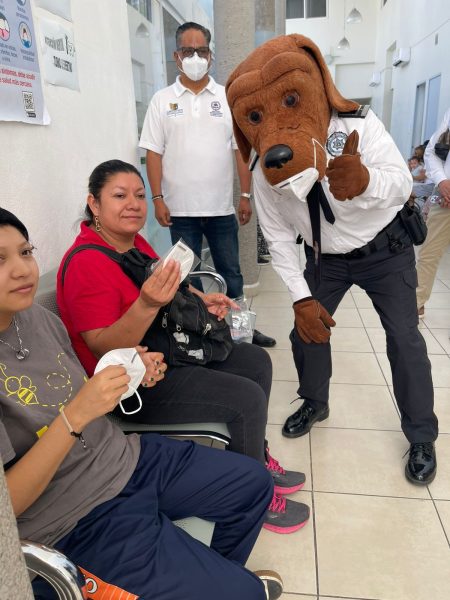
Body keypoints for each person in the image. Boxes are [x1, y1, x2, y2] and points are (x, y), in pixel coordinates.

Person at [0, 208, 285, 600]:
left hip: (124, 457)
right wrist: (76, 413)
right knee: (244, 592)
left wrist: (128, 373)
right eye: (0, 259)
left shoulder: (38, 318)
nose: (22, 269)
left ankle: (214, 577)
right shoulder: (86, 262)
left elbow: (79, 388)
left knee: (253, 484)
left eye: (26, 252)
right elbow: (9, 506)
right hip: (71, 516)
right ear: (94, 206)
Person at [225, 33, 438, 486]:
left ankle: (421, 434)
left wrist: (365, 182)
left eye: (288, 99)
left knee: (405, 340)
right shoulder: (265, 169)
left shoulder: (357, 124)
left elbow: (401, 183)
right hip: (326, 259)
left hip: (385, 250)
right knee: (306, 331)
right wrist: (300, 297)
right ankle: (314, 401)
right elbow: (278, 238)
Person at [57, 159, 310, 534]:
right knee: (246, 398)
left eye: (140, 195)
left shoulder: (131, 242)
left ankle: (254, 456)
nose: (133, 204)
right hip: (132, 387)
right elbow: (103, 351)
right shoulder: (86, 263)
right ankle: (252, 498)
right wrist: (146, 305)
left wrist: (202, 299)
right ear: (94, 203)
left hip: (166, 353)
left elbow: (171, 283)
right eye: (120, 196)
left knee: (256, 361)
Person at [139, 21, 276, 349]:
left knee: (232, 274)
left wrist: (245, 195)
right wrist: (157, 198)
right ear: (176, 56)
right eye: (188, 51)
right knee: (188, 279)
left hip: (220, 210)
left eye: (201, 51)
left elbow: (240, 152)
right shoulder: (162, 101)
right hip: (179, 211)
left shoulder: (227, 99)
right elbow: (153, 153)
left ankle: (242, 332)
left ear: (210, 55)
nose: (195, 58)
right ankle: (205, 331)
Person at [416, 107, 450, 318]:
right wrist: (442, 181)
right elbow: (432, 151)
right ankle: (416, 302)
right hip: (445, 194)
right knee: (429, 253)